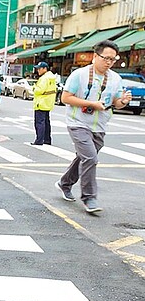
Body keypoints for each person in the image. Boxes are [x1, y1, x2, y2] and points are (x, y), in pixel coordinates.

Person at [56, 40, 132, 213]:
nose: (109, 62)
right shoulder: (79, 75)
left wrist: (123, 101)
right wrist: (92, 103)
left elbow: (117, 103)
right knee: (90, 158)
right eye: (106, 58)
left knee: (84, 158)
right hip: (78, 123)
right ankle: (89, 198)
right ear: (95, 56)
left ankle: (64, 183)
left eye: (113, 60)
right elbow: (65, 98)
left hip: (100, 125)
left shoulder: (115, 78)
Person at [31, 61, 56, 146]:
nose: (38, 70)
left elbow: (39, 90)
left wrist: (34, 87)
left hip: (40, 103)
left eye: (39, 68)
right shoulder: (51, 77)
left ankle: (39, 140)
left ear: (45, 69)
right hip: (48, 103)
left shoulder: (44, 78)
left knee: (39, 123)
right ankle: (47, 139)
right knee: (46, 122)